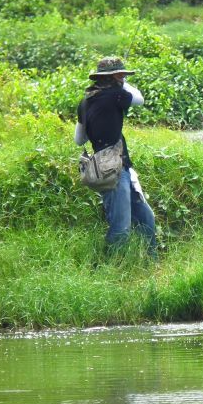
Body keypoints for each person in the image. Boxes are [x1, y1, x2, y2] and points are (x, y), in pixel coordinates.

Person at [75, 56, 157, 258]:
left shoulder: (85, 101)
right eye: (120, 75)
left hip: (110, 167)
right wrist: (124, 83)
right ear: (114, 77)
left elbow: (79, 139)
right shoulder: (116, 95)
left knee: (145, 218)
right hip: (114, 170)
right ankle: (115, 269)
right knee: (121, 228)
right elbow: (139, 99)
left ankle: (150, 262)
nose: (123, 78)